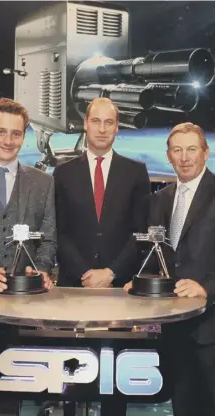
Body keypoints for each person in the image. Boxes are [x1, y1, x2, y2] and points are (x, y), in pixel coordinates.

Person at [0, 97, 57, 413]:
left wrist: (43, 269)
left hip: (19, 314)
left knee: (10, 402)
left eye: (16, 133)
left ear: (24, 136)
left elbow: (47, 242)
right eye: (1, 132)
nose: (8, 141)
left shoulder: (43, 183)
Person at [125, 122, 215, 416]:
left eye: (191, 149)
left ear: (206, 152)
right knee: (183, 405)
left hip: (211, 327)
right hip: (175, 328)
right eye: (178, 150)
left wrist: (207, 287)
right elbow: (157, 257)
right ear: (169, 156)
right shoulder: (160, 199)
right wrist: (138, 283)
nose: (185, 157)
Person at [54, 97, 150, 289]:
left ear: (117, 127)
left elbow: (141, 231)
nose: (102, 129)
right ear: (85, 124)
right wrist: (85, 273)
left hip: (120, 285)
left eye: (109, 122)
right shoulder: (63, 173)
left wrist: (111, 272)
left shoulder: (136, 172)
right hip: (74, 284)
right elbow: (58, 231)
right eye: (96, 121)